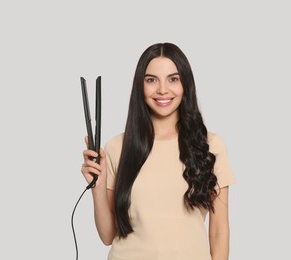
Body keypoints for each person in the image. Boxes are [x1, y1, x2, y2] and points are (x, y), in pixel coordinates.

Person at [81, 42, 235, 260]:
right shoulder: (117, 148)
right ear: (140, 86)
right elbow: (108, 236)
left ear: (186, 85)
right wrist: (97, 187)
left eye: (173, 79)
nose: (163, 89)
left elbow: (219, 231)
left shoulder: (211, 146)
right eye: (151, 80)